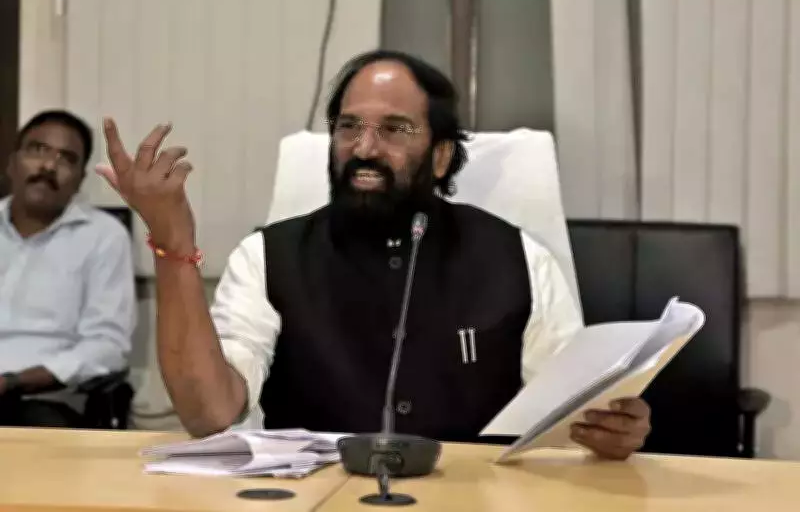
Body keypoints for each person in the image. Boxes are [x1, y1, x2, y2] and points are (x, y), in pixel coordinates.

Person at [98, 50, 651, 459]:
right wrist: (173, 243)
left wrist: (610, 431)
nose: (364, 148)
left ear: (441, 157)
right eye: (349, 127)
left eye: (394, 129)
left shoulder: (518, 259)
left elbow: (570, 415)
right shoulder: (268, 256)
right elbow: (210, 416)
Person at [0, 110, 136, 427]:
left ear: (80, 179)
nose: (49, 166)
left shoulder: (104, 237)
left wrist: (15, 381)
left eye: (67, 159)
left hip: (45, 399)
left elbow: (107, 346)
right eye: (38, 150)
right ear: (12, 163)